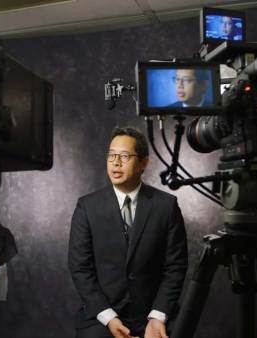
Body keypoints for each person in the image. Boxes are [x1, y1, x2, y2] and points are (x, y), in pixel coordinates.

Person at [68, 127, 188, 338]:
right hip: (102, 315)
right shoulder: (87, 207)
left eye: (124, 156)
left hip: (152, 314)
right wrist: (108, 317)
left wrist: (158, 315)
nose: (116, 162)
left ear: (143, 163)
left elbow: (175, 267)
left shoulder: (166, 206)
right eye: (111, 155)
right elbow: (80, 268)